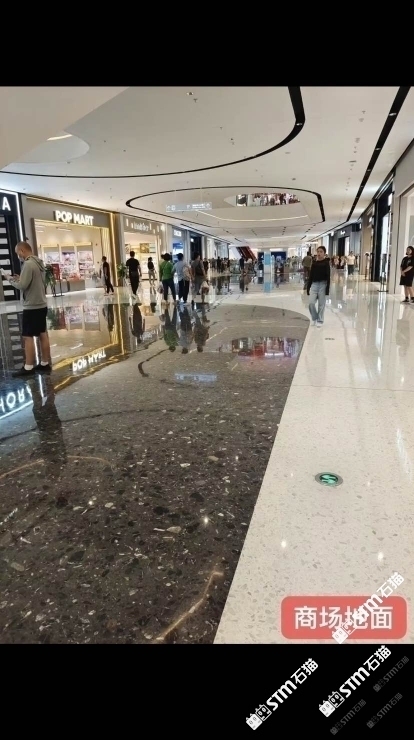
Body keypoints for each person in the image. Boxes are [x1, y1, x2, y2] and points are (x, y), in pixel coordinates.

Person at [8, 241, 51, 377]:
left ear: (22, 251)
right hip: (41, 304)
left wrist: (10, 280)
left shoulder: (28, 264)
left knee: (27, 337)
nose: (18, 256)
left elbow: (22, 286)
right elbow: (33, 281)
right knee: (42, 334)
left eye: (18, 253)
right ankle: (45, 363)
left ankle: (28, 367)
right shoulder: (39, 262)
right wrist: (20, 278)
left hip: (32, 306)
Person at [307, 245, 330, 327]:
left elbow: (328, 276)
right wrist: (308, 287)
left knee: (321, 304)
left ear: (324, 253)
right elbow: (311, 276)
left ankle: (320, 320)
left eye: (321, 252)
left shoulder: (326, 263)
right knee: (311, 303)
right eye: (318, 252)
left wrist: (327, 289)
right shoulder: (314, 264)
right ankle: (314, 318)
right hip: (314, 284)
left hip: (323, 284)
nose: (319, 253)